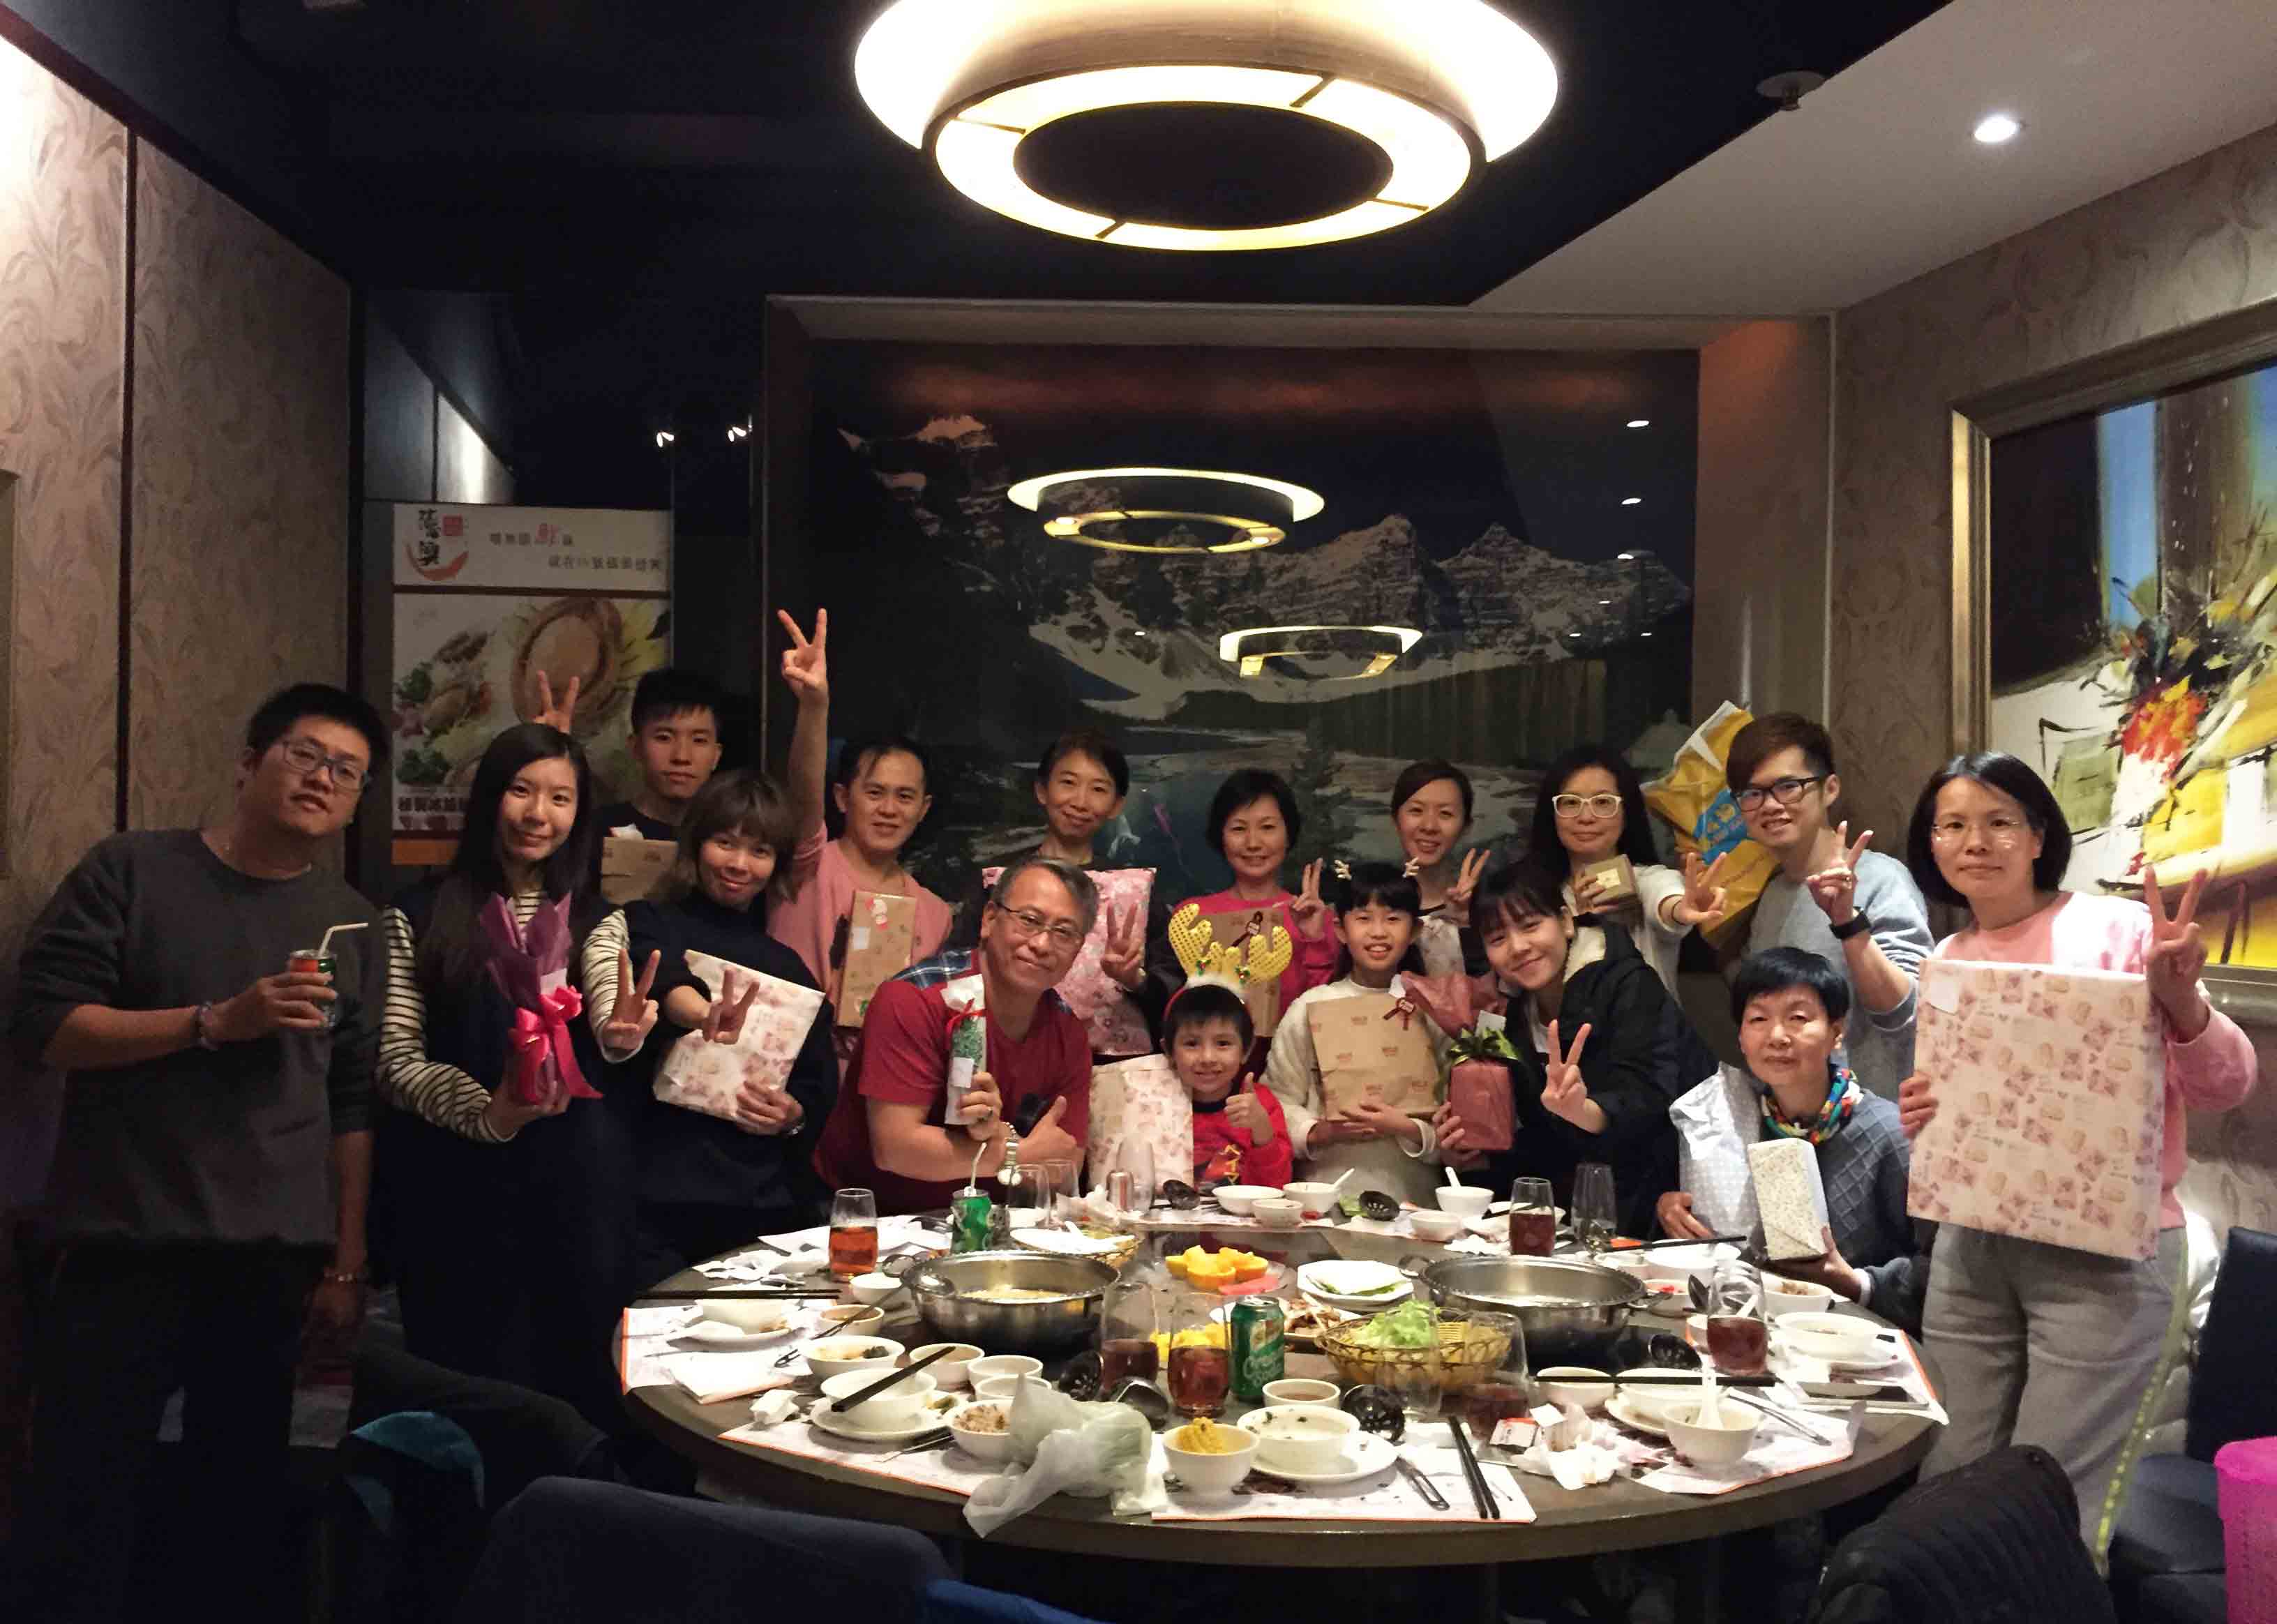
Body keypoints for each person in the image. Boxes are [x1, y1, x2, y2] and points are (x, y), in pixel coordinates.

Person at [6, 683, 388, 1624]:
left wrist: (345, 1262)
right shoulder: (133, 870)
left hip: (269, 1253)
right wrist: (215, 1022)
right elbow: (47, 1026)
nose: (323, 778)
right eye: (305, 754)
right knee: (82, 1500)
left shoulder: (352, 920)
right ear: (250, 761)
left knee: (237, 1510)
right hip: (123, 1237)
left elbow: (350, 1101)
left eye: (347, 772)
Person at [1898, 751, 2255, 1547]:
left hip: (2104, 1257)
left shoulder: (2120, 932)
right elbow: (1969, 1107)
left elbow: (2228, 1085)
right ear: (1932, 844)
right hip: (1974, 1243)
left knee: (2054, 1501)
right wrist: (1924, 1110)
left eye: (1999, 821)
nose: (1975, 842)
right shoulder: (1947, 961)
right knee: (1947, 1476)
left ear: (2038, 837)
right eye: (1953, 825)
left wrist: (2182, 1001)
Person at [375, 723, 659, 1429]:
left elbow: (607, 1010)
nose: (539, 814)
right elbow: (395, 1058)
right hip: (455, 1189)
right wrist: (487, 1113)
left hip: (578, 1188)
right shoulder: (416, 913)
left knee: (581, 1386)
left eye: (561, 799)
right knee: (467, 1389)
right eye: (521, 791)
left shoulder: (598, 918)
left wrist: (619, 1036)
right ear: (488, 797)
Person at [624, 767, 840, 1286]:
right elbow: (662, 980)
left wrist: (792, 1114)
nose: (740, 865)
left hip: (759, 1205)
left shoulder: (788, 967)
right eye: (725, 843)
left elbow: (817, 1083)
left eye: (760, 851)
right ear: (696, 843)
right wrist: (703, 1014)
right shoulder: (648, 921)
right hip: (652, 1198)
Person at [1657, 947, 1929, 1334]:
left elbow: (1942, 1269)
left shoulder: (1889, 1134)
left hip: (1858, 1338)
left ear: (1837, 1032)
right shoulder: (1732, 1121)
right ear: (1741, 1037)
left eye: (1798, 1019)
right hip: (1755, 1328)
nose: (1777, 1037)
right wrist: (1671, 1207)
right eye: (1758, 1019)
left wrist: (1857, 1283)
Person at [813, 857, 1096, 1214]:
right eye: (1029, 920)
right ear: (989, 919)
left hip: (989, 1218)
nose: (1041, 944)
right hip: (870, 1215)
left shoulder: (1068, 1032)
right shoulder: (914, 999)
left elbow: (1065, 1163)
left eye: (1064, 933)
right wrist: (1015, 1154)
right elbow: (896, 1149)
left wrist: (1002, 1137)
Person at [1434, 861, 1688, 1240]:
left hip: (1663, 1204)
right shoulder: (1512, 1016)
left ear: (1566, 921)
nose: (1518, 948)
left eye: (1530, 926)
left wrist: (1584, 1111)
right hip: (1581, 1215)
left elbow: (1654, 1096)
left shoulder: (1629, 985)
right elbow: (1543, 1145)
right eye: (1498, 938)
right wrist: (1473, 1156)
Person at [765, 609, 954, 1053]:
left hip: (882, 1083)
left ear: (923, 810)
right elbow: (802, 792)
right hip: (789, 1070)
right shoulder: (807, 865)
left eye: (904, 797)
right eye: (874, 792)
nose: (889, 810)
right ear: (842, 798)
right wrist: (815, 706)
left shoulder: (935, 914)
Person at [1727, 712, 1932, 1102]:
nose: (1770, 805)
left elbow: (1911, 1016)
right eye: (1752, 793)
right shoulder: (1772, 896)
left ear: (1830, 789)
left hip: (1874, 1117)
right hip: (1796, 1120)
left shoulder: (1882, 879)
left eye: (1788, 786)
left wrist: (1848, 924)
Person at [961, 728, 1168, 1059]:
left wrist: (1135, 979)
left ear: (1117, 805)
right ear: (1042, 790)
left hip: (1113, 1069)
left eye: (1098, 789)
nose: (1080, 802)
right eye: (1068, 783)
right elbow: (960, 973)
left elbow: (1174, 991)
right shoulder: (998, 881)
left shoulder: (1136, 889)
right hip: (1006, 1057)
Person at [1261, 861, 1450, 1205]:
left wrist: (1408, 1128)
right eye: (1364, 918)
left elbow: (1457, 1116)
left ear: (1415, 930)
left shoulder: (1433, 1010)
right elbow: (1277, 1100)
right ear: (1341, 930)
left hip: (1414, 1198)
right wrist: (1319, 1132)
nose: (1378, 932)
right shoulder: (1310, 1006)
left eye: (1393, 919)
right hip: (1324, 1193)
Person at [1151, 768, 1338, 1069]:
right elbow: (1172, 1011)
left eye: (1267, 827)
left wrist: (1314, 939)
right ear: (1221, 837)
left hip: (1295, 1072)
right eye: (1239, 829)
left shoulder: (1316, 918)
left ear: (1288, 834)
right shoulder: (1193, 916)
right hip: (1210, 1074)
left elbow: (1329, 1011)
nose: (1253, 842)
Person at [1528, 743, 1727, 993]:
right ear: (1552, 814)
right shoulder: (1534, 897)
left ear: (1626, 814)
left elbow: (1665, 898)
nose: (1586, 817)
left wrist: (1680, 909)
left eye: (1603, 802)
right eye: (1570, 802)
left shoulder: (1648, 880)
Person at [1165, 981, 1293, 1188]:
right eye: (1192, 1044)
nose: (1207, 1058)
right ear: (1169, 1051)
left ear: (1246, 1050)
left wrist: (1261, 1130)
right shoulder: (1157, 1102)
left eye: (1223, 1043)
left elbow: (1274, 1190)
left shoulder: (1261, 1105)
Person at [592, 668, 728, 839]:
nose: (681, 757)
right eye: (664, 738)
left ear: (716, 755)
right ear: (636, 748)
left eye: (699, 740)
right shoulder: (597, 831)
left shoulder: (733, 840)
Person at [1388, 758, 1489, 977]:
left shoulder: (1488, 905)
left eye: (1445, 814)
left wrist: (1467, 924)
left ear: (1466, 826)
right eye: (1416, 810)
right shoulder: (1372, 901)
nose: (1429, 826)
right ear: (1395, 819)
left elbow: (1498, 989)